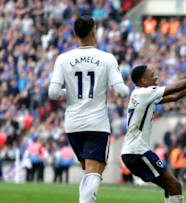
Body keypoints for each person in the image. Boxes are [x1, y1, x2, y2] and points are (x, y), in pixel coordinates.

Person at [48, 16, 129, 203]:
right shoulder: (107, 58)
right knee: (93, 173)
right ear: (94, 31)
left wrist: (72, 93)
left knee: (89, 172)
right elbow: (122, 92)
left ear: (75, 33)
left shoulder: (63, 58)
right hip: (96, 123)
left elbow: (53, 92)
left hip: (73, 125)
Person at [121, 64, 186, 203]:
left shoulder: (140, 94)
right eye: (152, 74)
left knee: (170, 187)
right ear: (144, 81)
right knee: (175, 185)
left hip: (133, 152)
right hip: (137, 152)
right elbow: (174, 88)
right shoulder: (145, 92)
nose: (156, 77)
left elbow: (175, 97)